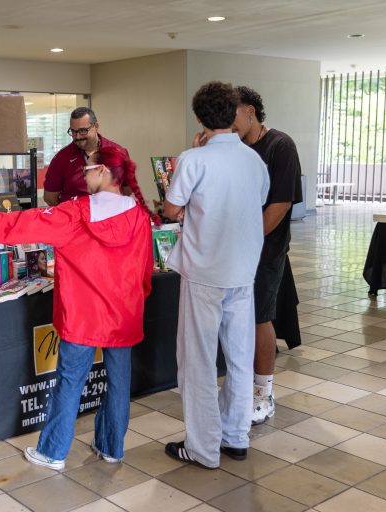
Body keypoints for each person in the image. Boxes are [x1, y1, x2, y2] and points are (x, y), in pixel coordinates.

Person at [0, 145, 157, 470]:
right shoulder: (139, 215)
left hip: (84, 316)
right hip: (124, 314)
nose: (82, 174)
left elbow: (22, 224)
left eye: (87, 168)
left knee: (69, 383)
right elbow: (145, 269)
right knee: (119, 383)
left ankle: (53, 452)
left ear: (103, 172)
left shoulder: (75, 213)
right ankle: (112, 447)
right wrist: (135, 300)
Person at [163, 82, 269, 469]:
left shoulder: (194, 158)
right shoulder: (254, 160)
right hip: (243, 270)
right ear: (234, 113)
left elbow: (171, 209)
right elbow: (257, 201)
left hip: (205, 271)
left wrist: (195, 151)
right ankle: (236, 436)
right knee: (239, 358)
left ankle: (203, 447)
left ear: (200, 119)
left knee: (199, 361)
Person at [231, 86, 303, 425]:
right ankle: (241, 388)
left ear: (250, 111)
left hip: (266, 250)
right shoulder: (233, 148)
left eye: (232, 114)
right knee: (238, 320)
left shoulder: (280, 146)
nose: (228, 123)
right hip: (231, 250)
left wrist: (249, 240)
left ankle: (263, 394)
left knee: (260, 317)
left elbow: (280, 205)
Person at [43, 107, 129, 206]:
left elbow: (127, 189)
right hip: (75, 215)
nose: (77, 136)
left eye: (83, 131)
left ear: (96, 127)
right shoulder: (61, 158)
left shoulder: (117, 152)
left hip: (110, 214)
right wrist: (69, 213)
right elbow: (50, 198)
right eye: (73, 131)